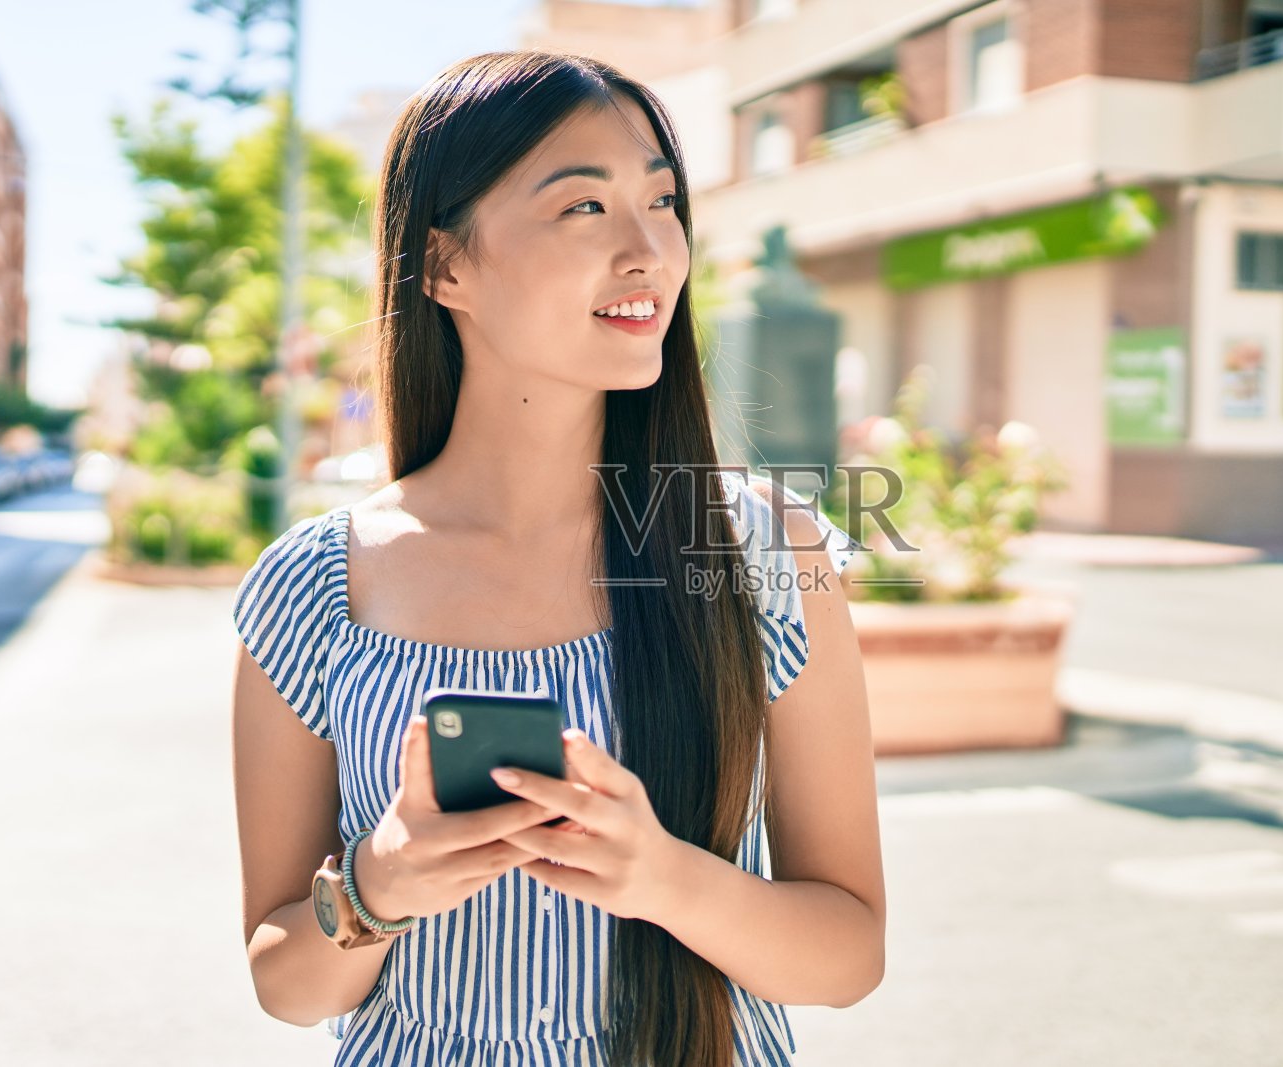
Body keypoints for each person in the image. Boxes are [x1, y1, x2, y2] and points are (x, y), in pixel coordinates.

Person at [230, 50, 885, 1067]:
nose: (648, 250)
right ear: (445, 266)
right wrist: (379, 882)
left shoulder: (756, 545)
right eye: (584, 206)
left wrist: (663, 877)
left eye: (662, 202)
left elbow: (848, 956)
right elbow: (283, 982)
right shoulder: (315, 581)